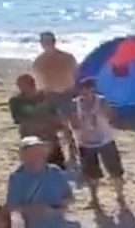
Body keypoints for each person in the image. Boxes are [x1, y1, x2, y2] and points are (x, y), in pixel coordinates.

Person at [5, 138, 81, 228]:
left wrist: (53, 209)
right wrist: (30, 209)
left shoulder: (54, 172)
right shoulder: (17, 177)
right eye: (29, 153)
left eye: (37, 152)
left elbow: (69, 198)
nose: (34, 157)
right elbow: (11, 206)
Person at [69, 78, 128, 208]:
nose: (83, 93)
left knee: (115, 171)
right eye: (81, 90)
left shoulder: (101, 101)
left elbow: (113, 117)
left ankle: (120, 196)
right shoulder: (75, 104)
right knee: (91, 174)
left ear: (92, 89)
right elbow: (73, 125)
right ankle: (94, 199)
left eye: (86, 89)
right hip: (85, 142)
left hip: (105, 140)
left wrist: (104, 113)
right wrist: (77, 122)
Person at [7, 72, 70, 170]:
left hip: (50, 138)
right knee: (35, 168)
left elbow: (57, 115)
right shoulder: (16, 101)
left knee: (57, 168)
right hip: (31, 140)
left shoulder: (46, 96)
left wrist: (59, 125)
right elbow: (19, 118)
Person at [32, 31, 79, 117]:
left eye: (48, 41)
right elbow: (38, 84)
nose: (46, 44)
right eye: (44, 41)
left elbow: (76, 75)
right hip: (50, 97)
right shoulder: (39, 62)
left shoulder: (68, 58)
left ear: (54, 41)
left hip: (68, 94)